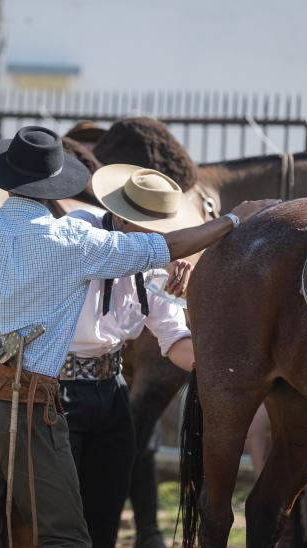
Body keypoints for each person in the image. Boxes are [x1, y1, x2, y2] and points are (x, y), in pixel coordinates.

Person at [0, 125, 277, 547]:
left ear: (5, 178)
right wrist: (233, 220)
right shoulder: (73, 239)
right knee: (66, 534)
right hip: (29, 400)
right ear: (54, 187)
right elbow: (167, 248)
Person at [60, 164, 198, 547]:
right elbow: (107, 256)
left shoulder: (154, 262)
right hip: (57, 390)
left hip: (112, 390)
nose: (158, 240)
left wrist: (223, 367)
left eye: (161, 230)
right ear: (120, 216)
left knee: (105, 509)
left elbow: (173, 338)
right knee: (61, 517)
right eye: (147, 228)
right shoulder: (80, 228)